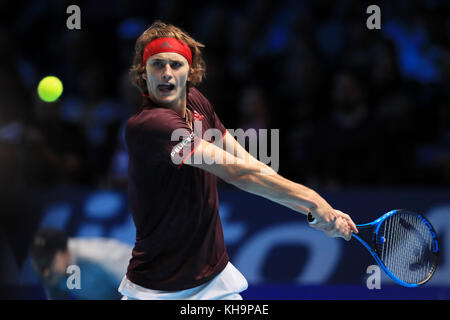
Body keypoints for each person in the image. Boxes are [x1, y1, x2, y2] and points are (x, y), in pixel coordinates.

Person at [120, 20, 359, 300]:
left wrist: (314, 210)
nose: (167, 74)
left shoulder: (196, 103)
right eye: (157, 64)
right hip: (154, 292)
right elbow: (238, 174)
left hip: (214, 284)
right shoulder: (149, 126)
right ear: (142, 73)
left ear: (191, 71)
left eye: (176, 64)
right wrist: (313, 199)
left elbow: (252, 166)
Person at [30, 228, 132, 300]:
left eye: (49, 262)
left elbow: (139, 288)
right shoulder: (48, 272)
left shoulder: (99, 258)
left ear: (65, 253)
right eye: (40, 263)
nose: (46, 273)